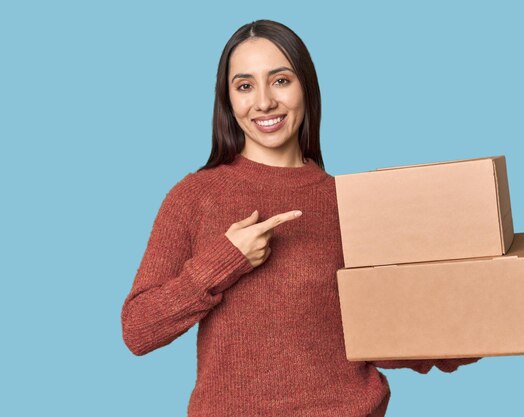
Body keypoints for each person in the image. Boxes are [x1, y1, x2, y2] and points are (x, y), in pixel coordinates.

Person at [120, 19, 482, 417]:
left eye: (280, 81)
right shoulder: (194, 196)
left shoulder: (349, 203)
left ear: (305, 88)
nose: (263, 102)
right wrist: (223, 262)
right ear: (227, 101)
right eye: (244, 86)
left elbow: (379, 336)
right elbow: (139, 329)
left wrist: (482, 322)